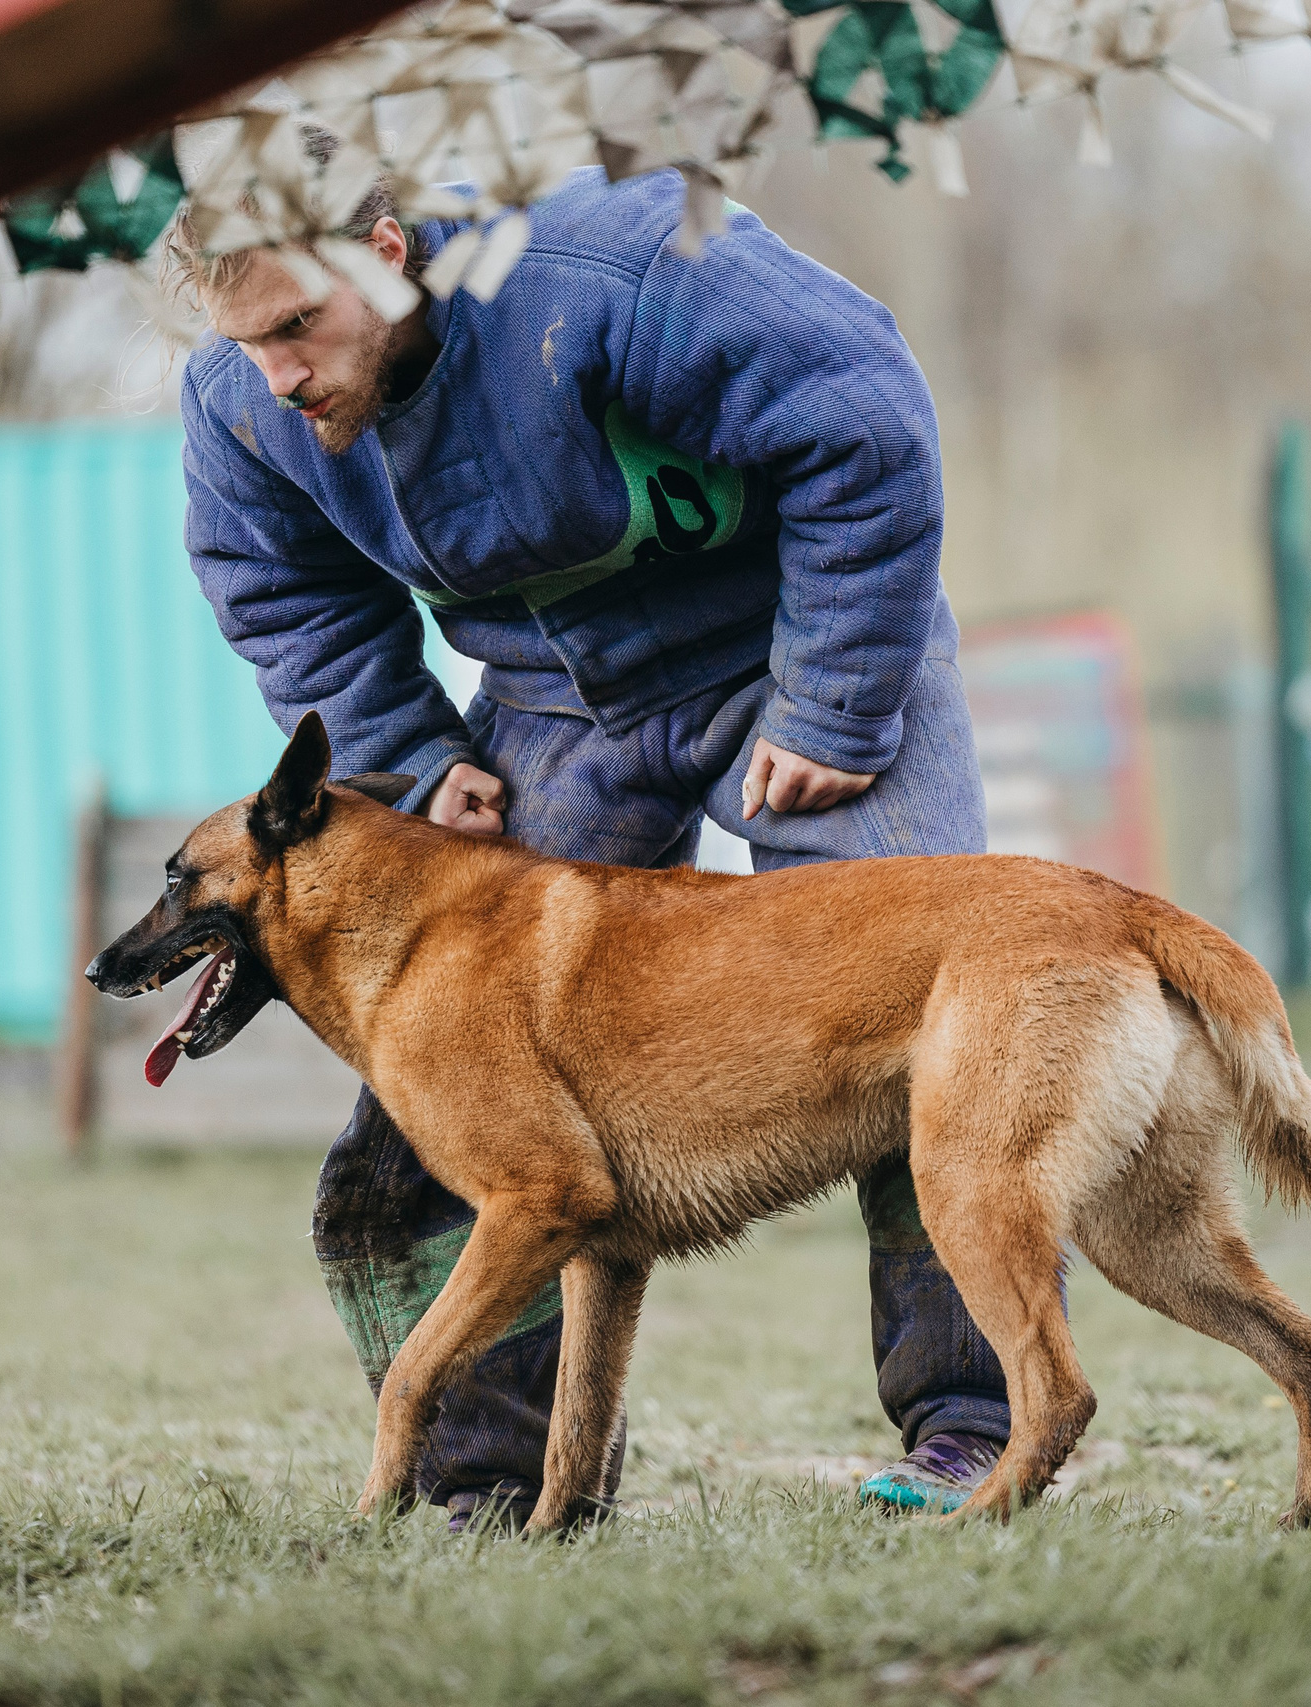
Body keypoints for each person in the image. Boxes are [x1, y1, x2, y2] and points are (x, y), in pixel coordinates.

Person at [167, 154, 1012, 1528]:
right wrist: (418, 752)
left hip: (800, 637)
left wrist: (838, 697)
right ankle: (489, 1482)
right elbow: (282, 594)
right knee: (449, 1080)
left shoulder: (619, 267)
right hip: (565, 696)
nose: (275, 374)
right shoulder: (239, 405)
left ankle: (974, 1430)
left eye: (293, 330)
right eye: (242, 340)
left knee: (924, 1014)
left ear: (385, 253)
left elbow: (865, 419)